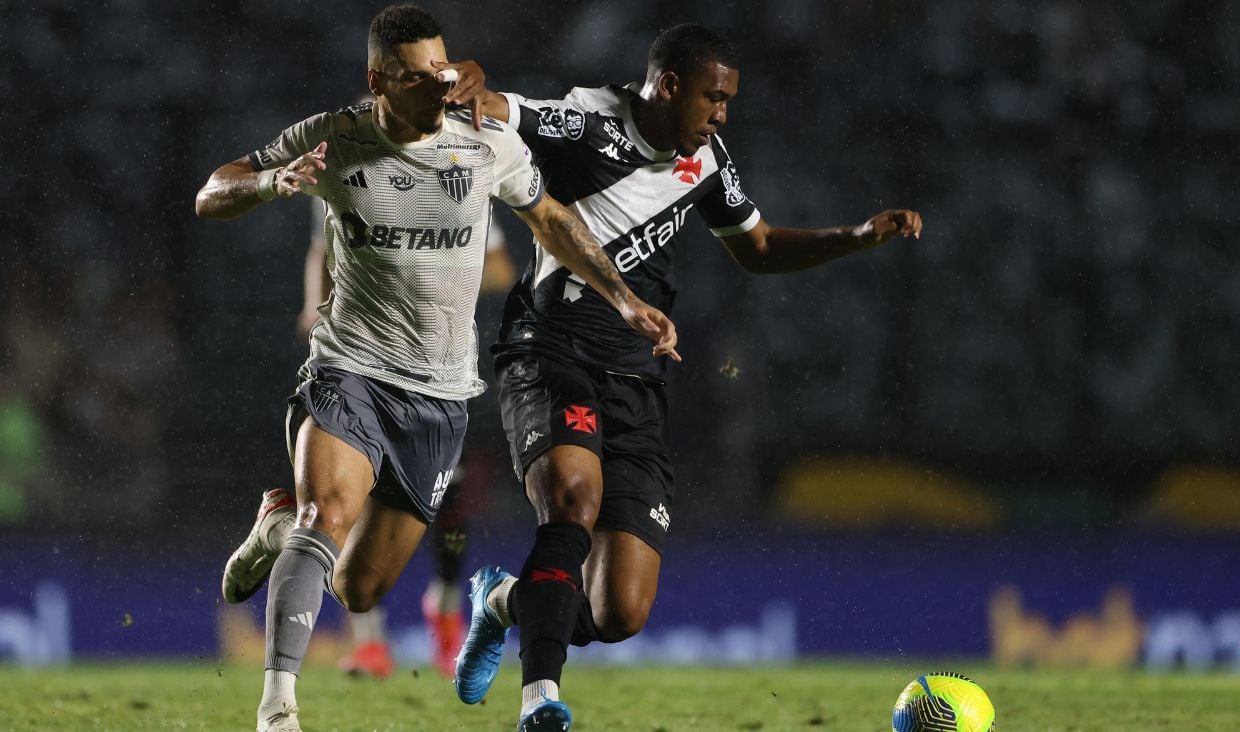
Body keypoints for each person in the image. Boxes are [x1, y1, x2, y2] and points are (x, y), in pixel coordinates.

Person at [195, 6, 679, 731]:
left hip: (441, 399)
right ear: (377, 79)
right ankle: (277, 709)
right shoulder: (334, 137)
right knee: (327, 516)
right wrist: (271, 183)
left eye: (443, 71)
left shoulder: (483, 141)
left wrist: (622, 297)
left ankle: (277, 528)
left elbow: (550, 219)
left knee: (359, 588)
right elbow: (213, 191)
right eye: (417, 77)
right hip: (349, 367)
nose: (437, 87)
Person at [443, 23, 923, 731]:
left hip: (635, 377)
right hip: (550, 350)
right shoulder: (588, 123)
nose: (722, 114)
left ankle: (502, 602)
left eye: (727, 101)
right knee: (573, 496)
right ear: (668, 86)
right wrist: (474, 73)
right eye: (713, 98)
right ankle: (540, 700)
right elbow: (501, 105)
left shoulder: (707, 160)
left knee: (619, 611)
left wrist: (854, 237)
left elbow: (756, 247)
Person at [297, 188, 519, 680]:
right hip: (359, 364)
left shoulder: (458, 179)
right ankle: (369, 640)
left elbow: (501, 269)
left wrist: (425, 273)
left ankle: (444, 604)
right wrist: (316, 304)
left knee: (449, 501)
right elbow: (322, 248)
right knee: (353, 493)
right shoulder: (342, 172)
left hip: (435, 370)